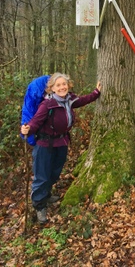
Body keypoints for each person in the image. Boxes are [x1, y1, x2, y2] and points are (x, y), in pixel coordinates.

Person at [21, 72, 101, 224]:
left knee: (55, 172)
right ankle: (39, 205)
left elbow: (83, 100)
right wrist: (27, 129)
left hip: (61, 143)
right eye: (58, 85)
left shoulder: (69, 99)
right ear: (51, 88)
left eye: (64, 84)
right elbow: (36, 121)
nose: (62, 87)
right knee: (42, 176)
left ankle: (47, 194)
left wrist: (96, 93)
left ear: (68, 85)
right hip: (44, 145)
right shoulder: (47, 104)